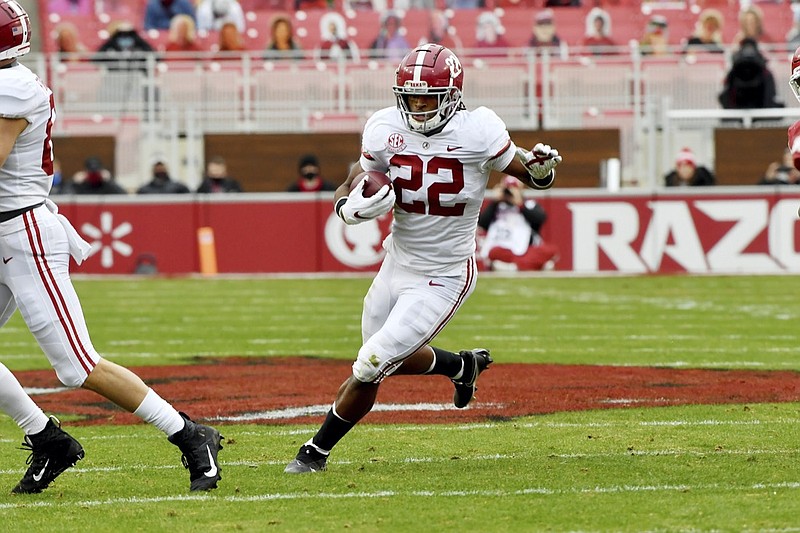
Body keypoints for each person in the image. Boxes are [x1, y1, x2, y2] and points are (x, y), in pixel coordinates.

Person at [283, 43, 562, 474]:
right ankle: (460, 365)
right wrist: (347, 207)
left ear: (451, 95)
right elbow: (353, 179)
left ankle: (314, 452)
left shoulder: (479, 129)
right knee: (383, 356)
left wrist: (541, 167)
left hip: (445, 272)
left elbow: (531, 175)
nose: (417, 108)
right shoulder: (382, 126)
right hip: (397, 261)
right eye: (410, 97)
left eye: (427, 99)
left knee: (372, 362)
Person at [0, 0, 222, 494]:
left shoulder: (12, 86)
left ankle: (189, 435)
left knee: (76, 366)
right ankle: (46, 438)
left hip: (24, 234)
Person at [477, 175, 559, 272]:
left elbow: (540, 219)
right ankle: (527, 266)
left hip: (524, 250)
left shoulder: (529, 204)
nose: (509, 192)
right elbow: (482, 223)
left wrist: (519, 203)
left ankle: (514, 267)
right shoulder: (496, 207)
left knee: (550, 251)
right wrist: (495, 201)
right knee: (495, 252)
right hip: (503, 250)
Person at [718, 38, 782, 110]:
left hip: (761, 107)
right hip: (737, 108)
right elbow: (725, 96)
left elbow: (770, 96)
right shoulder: (733, 72)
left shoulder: (765, 72)